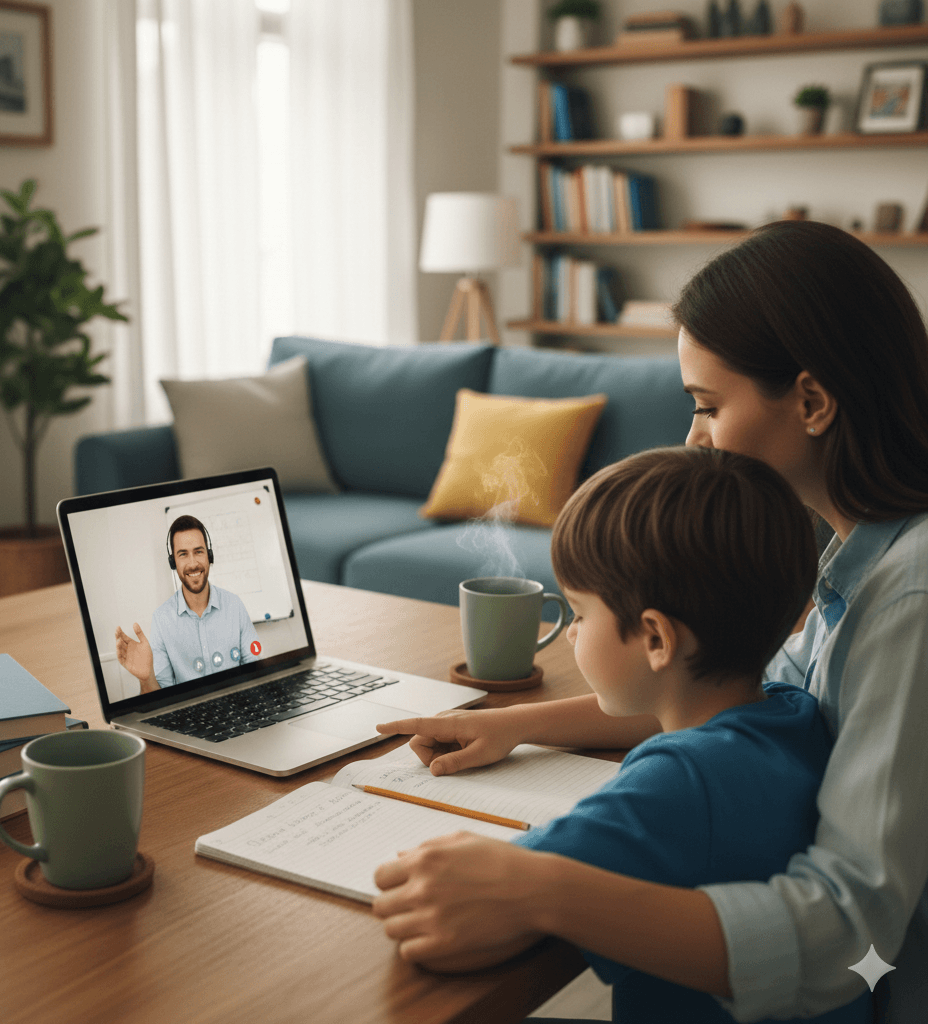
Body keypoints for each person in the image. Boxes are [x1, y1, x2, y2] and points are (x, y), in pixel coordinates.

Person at [372, 221, 928, 1023]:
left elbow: (846, 932)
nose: (693, 438)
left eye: (707, 406)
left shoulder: (907, 600)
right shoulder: (853, 557)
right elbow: (739, 693)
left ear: (810, 400)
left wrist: (544, 886)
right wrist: (522, 725)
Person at [115, 515, 260, 692]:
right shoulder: (162, 620)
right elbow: (163, 703)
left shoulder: (234, 605)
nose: (192, 563)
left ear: (209, 556)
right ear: (173, 562)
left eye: (198, 551)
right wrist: (146, 678)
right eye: (183, 554)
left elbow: (257, 675)